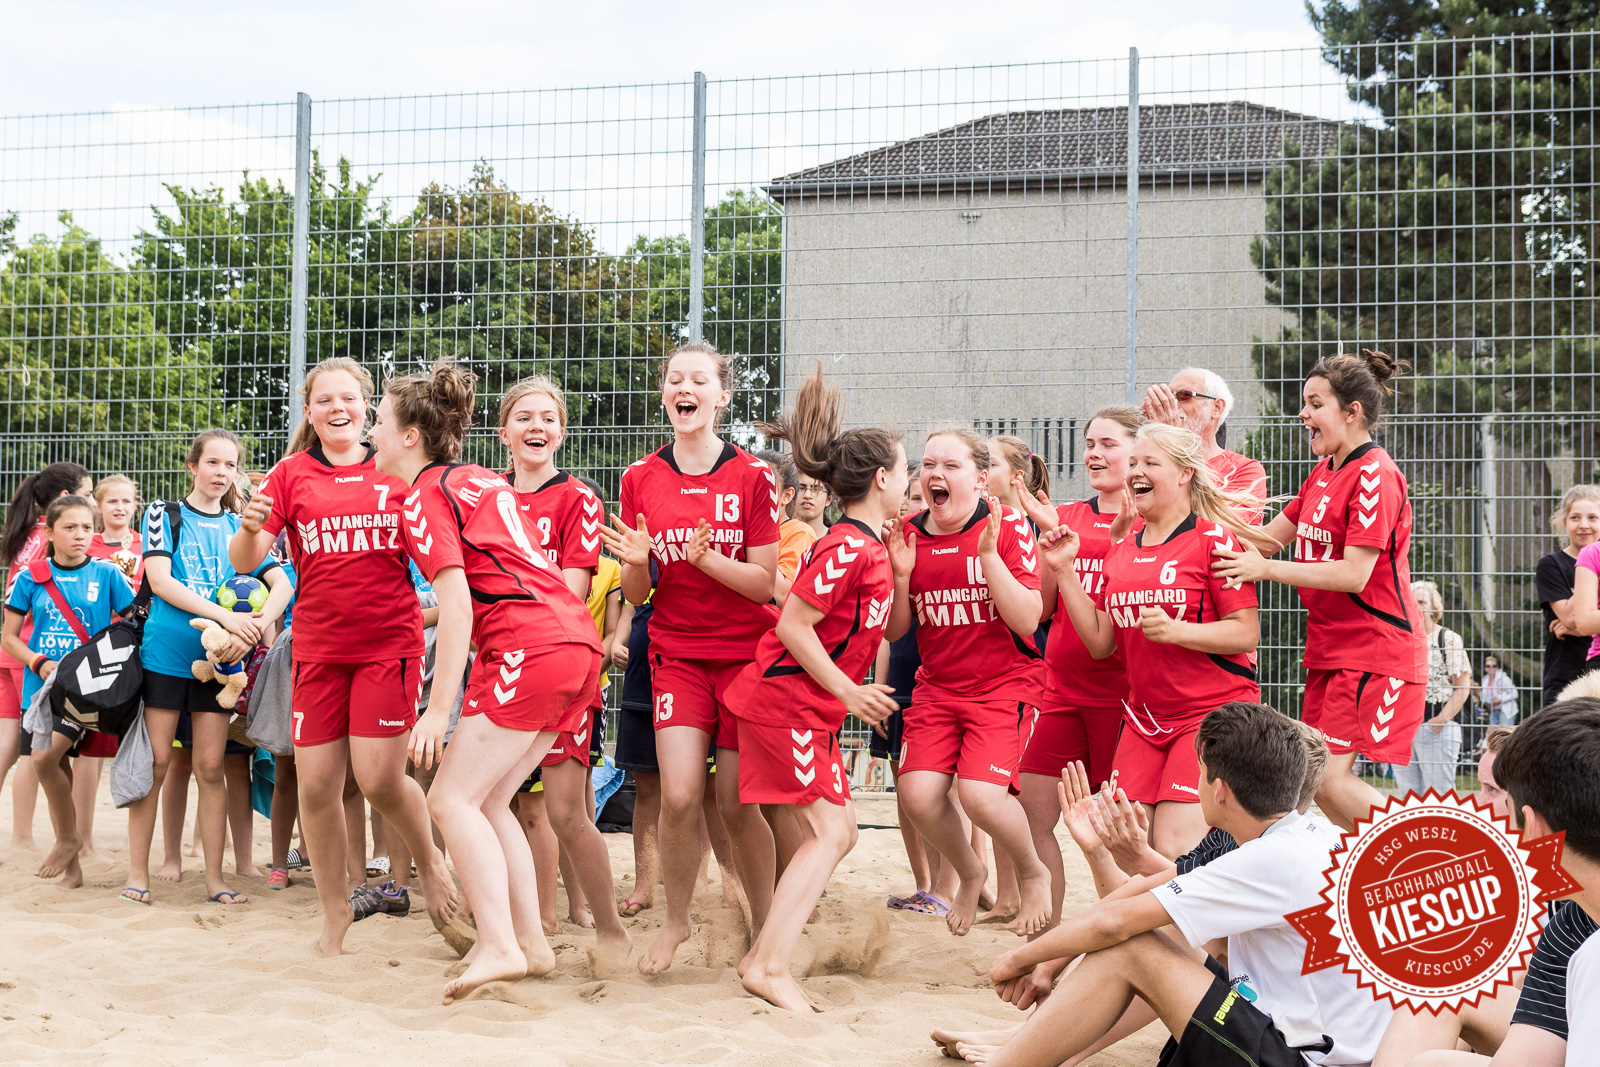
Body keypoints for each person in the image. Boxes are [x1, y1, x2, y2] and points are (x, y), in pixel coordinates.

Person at [372, 360, 612, 1004]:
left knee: (449, 801)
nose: (371, 433)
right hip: (573, 644)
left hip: (528, 646)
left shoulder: (425, 495)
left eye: (379, 421)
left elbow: (457, 607)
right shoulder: (479, 478)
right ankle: (529, 943)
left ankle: (500, 943)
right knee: (490, 801)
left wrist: (436, 710)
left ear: (410, 436)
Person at [974, 700, 1393, 1067]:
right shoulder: (1313, 835)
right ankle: (1040, 1046)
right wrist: (1049, 958)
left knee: (1135, 946)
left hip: (1302, 1057)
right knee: (1160, 933)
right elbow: (1145, 894)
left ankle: (1021, 1055)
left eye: (1200, 773)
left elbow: (1115, 922)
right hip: (1330, 1042)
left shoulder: (1265, 858)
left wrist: (1016, 959)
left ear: (1220, 791)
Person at [229, 358, 459, 951]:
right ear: (309, 412)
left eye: (350, 398)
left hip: (389, 648)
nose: (338, 408)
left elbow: (441, 560)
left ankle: (431, 865)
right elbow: (244, 562)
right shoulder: (289, 474)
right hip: (317, 651)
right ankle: (335, 910)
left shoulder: (395, 468)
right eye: (325, 400)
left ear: (366, 408)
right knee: (316, 787)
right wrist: (250, 528)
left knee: (380, 780)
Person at [726, 364, 906, 1012]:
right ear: (882, 478)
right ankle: (767, 964)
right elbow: (793, 623)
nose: (909, 481)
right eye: (905, 470)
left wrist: (901, 573)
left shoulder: (870, 546)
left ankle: (764, 955)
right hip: (787, 704)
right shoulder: (846, 547)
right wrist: (850, 692)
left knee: (842, 831)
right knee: (828, 832)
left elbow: (882, 628)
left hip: (810, 708)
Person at [600, 341, 782, 977]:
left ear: (722, 396)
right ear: (664, 396)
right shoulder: (640, 477)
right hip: (677, 652)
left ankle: (767, 927)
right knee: (678, 795)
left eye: (699, 380)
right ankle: (676, 919)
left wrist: (706, 561)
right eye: (675, 379)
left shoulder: (753, 476)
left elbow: (764, 584)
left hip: (745, 658)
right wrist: (638, 562)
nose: (685, 388)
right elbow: (636, 594)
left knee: (736, 804)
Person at [1212, 349, 1428, 832]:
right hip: (1332, 646)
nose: (1302, 414)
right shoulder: (1325, 470)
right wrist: (1194, 518)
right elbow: (1265, 539)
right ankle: (1376, 864)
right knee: (1311, 778)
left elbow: (1354, 574)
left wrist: (1265, 570)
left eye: (1315, 404)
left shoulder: (1375, 474)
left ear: (1352, 412)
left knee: (1329, 778)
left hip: (1376, 647)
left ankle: (1425, 856)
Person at [1047, 422, 1260, 859]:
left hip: (1208, 714)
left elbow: (1246, 631)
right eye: (1134, 463)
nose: (1135, 472)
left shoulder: (1212, 539)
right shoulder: (1123, 549)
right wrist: (1065, 571)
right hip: (1144, 720)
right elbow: (1101, 643)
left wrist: (1180, 631)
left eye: (1150, 462)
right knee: (1124, 841)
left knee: (1173, 843)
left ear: (1184, 473)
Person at [883, 427, 1052, 937]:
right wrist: (900, 576)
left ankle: (1032, 872)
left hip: (1004, 685)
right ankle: (970, 872)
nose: (935, 474)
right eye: (929, 465)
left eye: (951, 466)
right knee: (916, 795)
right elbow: (895, 631)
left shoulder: (1007, 526)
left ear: (980, 480)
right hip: (938, 687)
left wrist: (989, 558)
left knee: (980, 795)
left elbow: (1028, 619)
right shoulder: (908, 532)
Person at [117, 431, 290, 907]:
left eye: (230, 465)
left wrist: (253, 627)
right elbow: (160, 580)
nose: (221, 472)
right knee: (156, 764)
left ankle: (215, 879)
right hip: (165, 658)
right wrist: (226, 617)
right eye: (212, 462)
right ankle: (138, 874)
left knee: (211, 767)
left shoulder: (241, 526)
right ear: (193, 466)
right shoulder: (164, 513)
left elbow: (283, 583)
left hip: (220, 666)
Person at [1383, 697, 1600, 1067]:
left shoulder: (1579, 937)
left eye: (1495, 792)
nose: (1478, 803)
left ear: (1534, 825)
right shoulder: (1571, 923)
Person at [497, 376, 629, 945]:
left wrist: (502, 610)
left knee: (565, 814)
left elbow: (569, 595)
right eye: (524, 417)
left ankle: (610, 930)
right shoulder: (486, 496)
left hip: (558, 669)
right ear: (503, 432)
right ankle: (524, 923)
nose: (537, 426)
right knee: (488, 803)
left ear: (562, 432)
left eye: (548, 418)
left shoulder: (578, 499)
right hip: (498, 668)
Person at [1012, 407, 1142, 935]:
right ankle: (1047, 942)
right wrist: (1046, 543)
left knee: (1116, 832)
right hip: (1062, 690)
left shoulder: (1152, 521)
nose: (1093, 453)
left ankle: (1123, 935)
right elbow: (1043, 608)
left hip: (1124, 698)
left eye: (1108, 444)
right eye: (1089, 443)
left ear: (1137, 454)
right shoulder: (1066, 515)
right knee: (1032, 812)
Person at [1, 495, 133, 887]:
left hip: (86, 688)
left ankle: (67, 838)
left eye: (87, 528)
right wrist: (38, 662)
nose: (80, 535)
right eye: (70, 527)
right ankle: (72, 868)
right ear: (49, 532)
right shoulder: (30, 576)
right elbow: (9, 638)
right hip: (39, 687)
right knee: (55, 766)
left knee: (44, 760)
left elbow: (134, 625)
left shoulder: (108, 574)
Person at [0, 461, 91, 853]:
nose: (91, 502)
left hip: (16, 651)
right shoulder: (50, 541)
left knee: (10, 745)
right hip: (34, 654)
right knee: (31, 751)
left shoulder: (26, 532)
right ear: (64, 499)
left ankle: (29, 836)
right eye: (87, 494)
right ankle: (23, 837)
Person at [1141, 367, 1267, 520]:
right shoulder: (1144, 463)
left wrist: (1171, 439)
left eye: (1184, 395)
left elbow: (1226, 525)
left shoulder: (1244, 469)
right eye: (1169, 397)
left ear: (1217, 408)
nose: (1171, 405)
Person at [1392, 580, 1471, 798]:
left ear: (1434, 607)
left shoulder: (1448, 639)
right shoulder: (1398, 638)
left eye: (1422, 601)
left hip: (1437, 726)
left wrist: (1440, 721)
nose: (1416, 606)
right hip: (1402, 729)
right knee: (1408, 796)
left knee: (1439, 796)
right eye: (1411, 601)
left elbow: (1463, 687)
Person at [1536, 485, 1600, 706]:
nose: (1584, 525)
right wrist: (1589, 566)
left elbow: (1578, 624)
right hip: (1565, 671)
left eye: (1592, 517)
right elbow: (1572, 618)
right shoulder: (1551, 565)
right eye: (1575, 518)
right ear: (1563, 522)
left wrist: (1577, 627)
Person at [757, 449, 818, 606]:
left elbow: (782, 594)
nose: (753, 492)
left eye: (761, 485)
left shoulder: (800, 533)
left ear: (786, 496)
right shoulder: (738, 528)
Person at [1481, 654, 1519, 727]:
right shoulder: (1485, 680)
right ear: (1484, 668)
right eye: (1488, 666)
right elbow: (1483, 696)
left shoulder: (1504, 678)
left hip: (1506, 710)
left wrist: (1500, 699)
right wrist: (1486, 701)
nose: (1491, 668)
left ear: (1497, 668)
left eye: (1493, 666)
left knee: (1504, 731)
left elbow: (1515, 693)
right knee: (1493, 732)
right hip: (1493, 710)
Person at [795, 471, 831, 538]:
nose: (807, 495)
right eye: (801, 488)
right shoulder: (779, 538)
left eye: (816, 489)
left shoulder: (838, 541)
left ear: (828, 499)